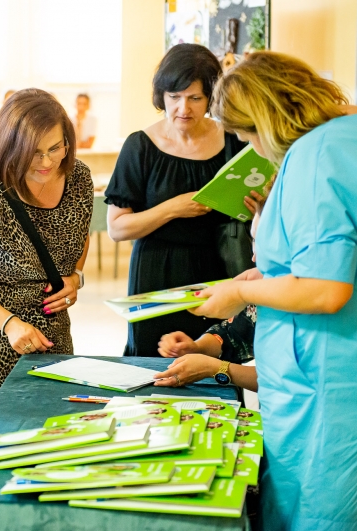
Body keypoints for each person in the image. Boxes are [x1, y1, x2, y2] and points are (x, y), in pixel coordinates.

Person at [194, 51, 357, 531]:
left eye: (250, 136)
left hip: (331, 393)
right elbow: (348, 262)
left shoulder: (319, 155)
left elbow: (326, 289)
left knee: (324, 519)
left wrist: (241, 296)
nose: (256, 150)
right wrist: (265, 277)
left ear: (265, 118)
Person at [0, 88, 93, 443]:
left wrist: (75, 277)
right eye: (34, 152)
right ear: (11, 147)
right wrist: (9, 324)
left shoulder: (78, 177)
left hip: (52, 327)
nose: (46, 161)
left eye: (55, 148)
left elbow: (79, 235)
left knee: (54, 433)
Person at [105, 43, 250, 356]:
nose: (184, 108)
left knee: (213, 358)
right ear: (162, 96)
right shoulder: (140, 146)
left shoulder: (233, 140)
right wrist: (173, 208)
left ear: (211, 97)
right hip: (156, 271)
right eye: (174, 97)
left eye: (195, 98)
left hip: (218, 267)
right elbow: (117, 228)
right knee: (152, 363)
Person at [155, 195, 265, 392]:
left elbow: (284, 381)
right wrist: (196, 347)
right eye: (253, 240)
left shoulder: (306, 301)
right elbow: (234, 333)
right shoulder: (263, 283)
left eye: (263, 243)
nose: (254, 257)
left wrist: (214, 368)